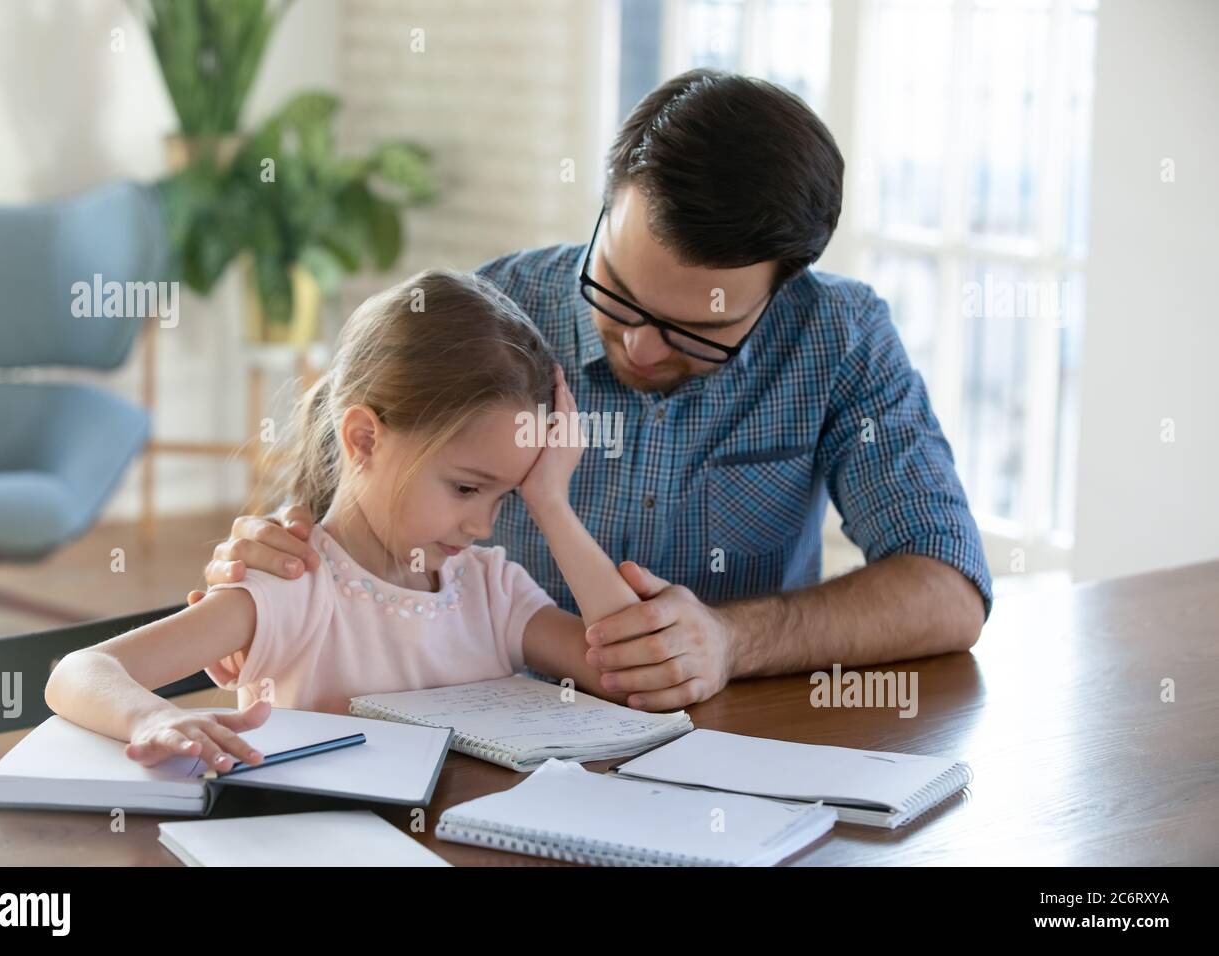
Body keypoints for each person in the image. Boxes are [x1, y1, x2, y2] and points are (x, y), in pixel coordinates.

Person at [197, 69, 992, 714]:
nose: (640, 347)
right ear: (607, 207)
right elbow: (349, 505)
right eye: (616, 291)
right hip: (487, 735)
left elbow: (949, 589)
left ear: (783, 288)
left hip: (735, 735)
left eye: (695, 328)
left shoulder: (839, 338)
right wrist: (266, 553)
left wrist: (729, 639)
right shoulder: (490, 317)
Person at [45, 270, 639, 770]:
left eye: (506, 496)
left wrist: (552, 505)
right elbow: (81, 671)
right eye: (465, 488)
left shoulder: (492, 590)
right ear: (363, 439)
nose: (481, 525)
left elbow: (630, 674)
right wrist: (155, 713)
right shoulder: (292, 584)